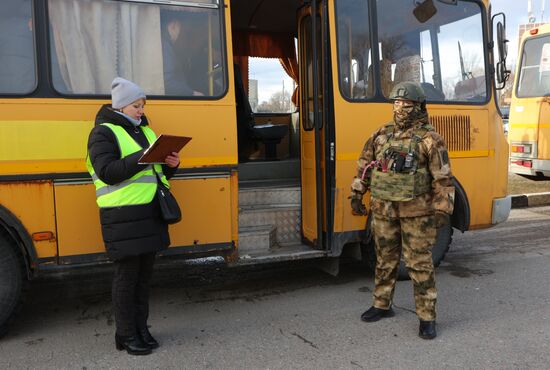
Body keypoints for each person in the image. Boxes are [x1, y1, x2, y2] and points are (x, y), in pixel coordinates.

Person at [349, 81, 454, 340]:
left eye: (406, 104)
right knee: (384, 259)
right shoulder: (381, 134)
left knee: (419, 264)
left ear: (418, 106)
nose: (400, 109)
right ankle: (381, 304)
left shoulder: (431, 139)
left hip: (417, 212)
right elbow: (365, 166)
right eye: (396, 104)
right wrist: (357, 192)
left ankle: (427, 317)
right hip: (384, 208)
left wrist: (443, 209)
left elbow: (443, 178)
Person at [87, 77, 180, 355]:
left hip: (149, 213)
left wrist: (171, 164)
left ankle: (142, 329)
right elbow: (108, 171)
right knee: (126, 278)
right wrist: (145, 156)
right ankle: (125, 335)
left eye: (142, 105)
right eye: (136, 106)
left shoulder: (148, 132)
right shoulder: (103, 133)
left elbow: (157, 173)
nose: (141, 110)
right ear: (120, 106)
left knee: (143, 277)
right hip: (123, 216)